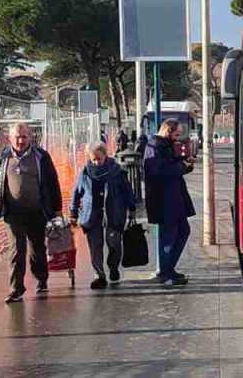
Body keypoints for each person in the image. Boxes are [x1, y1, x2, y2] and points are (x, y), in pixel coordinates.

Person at [0, 123, 63, 303]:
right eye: (17, 137)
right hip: (12, 213)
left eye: (24, 137)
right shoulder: (2, 156)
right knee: (17, 250)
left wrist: (57, 209)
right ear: (10, 138)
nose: (20, 140)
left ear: (30, 137)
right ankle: (16, 289)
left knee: (37, 248)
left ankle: (41, 278)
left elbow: (53, 182)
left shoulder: (41, 156)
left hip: (37, 211)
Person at [71, 142, 135, 290]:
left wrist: (131, 207)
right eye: (93, 159)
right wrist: (73, 213)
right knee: (95, 247)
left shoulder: (117, 171)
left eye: (99, 158)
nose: (96, 162)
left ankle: (113, 267)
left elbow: (127, 190)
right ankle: (99, 275)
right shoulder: (85, 173)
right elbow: (76, 193)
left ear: (105, 155)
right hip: (92, 214)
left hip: (113, 213)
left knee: (114, 243)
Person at [144, 118, 195, 285]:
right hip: (165, 201)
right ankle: (166, 271)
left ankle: (169, 269)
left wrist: (185, 164)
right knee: (170, 235)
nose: (178, 138)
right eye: (176, 134)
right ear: (168, 131)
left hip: (173, 200)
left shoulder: (163, 145)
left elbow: (169, 165)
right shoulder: (155, 147)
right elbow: (160, 172)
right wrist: (183, 167)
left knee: (182, 231)